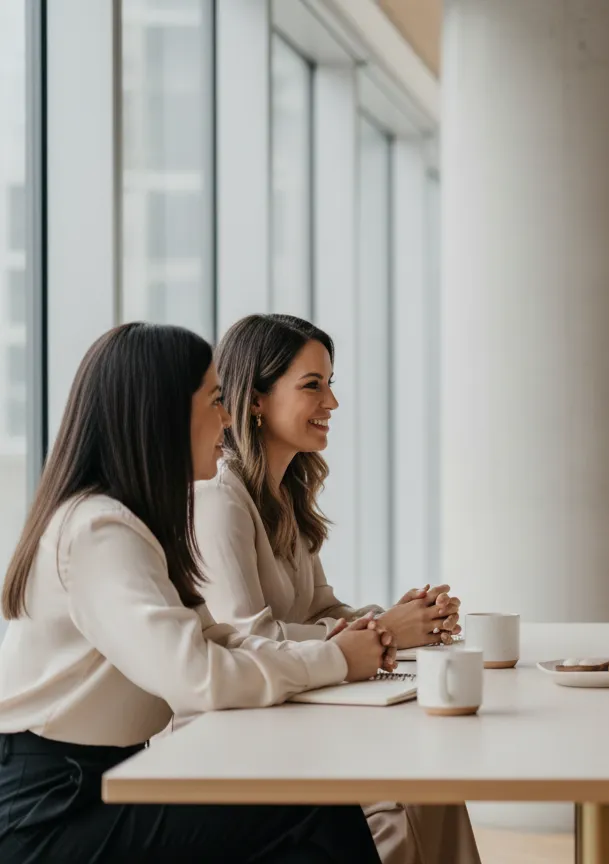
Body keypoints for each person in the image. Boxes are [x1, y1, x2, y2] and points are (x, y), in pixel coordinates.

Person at [0, 323, 391, 863]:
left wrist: (335, 655)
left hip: (99, 783)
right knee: (313, 800)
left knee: (307, 816)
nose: (228, 419)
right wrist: (333, 660)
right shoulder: (97, 530)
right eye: (215, 401)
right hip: (50, 813)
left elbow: (215, 640)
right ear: (162, 414)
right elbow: (197, 677)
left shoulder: (133, 523)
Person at [193, 313, 479, 864]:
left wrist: (400, 618)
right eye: (312, 386)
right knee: (404, 792)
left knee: (435, 779)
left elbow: (324, 609)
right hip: (243, 726)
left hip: (300, 706)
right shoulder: (219, 501)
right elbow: (252, 638)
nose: (332, 403)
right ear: (255, 400)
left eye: (330, 384)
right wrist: (382, 632)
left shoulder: (286, 498)